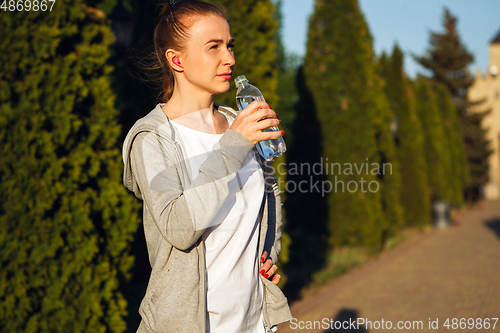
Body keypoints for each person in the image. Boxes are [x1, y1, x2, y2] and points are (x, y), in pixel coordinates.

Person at [122, 0, 292, 332]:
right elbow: (180, 228)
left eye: (229, 46)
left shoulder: (235, 121)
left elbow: (268, 196)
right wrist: (235, 144)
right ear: (176, 59)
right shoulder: (153, 138)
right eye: (213, 47)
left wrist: (268, 251)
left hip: (255, 323)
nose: (229, 58)